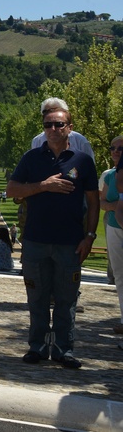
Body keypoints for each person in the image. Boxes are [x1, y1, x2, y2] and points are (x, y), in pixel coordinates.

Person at [7, 105, 98, 369]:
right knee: (36, 297)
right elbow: (13, 190)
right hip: (36, 240)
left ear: (70, 127)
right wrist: (43, 186)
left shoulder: (82, 161)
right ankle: (36, 347)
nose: (53, 130)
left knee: (67, 299)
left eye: (59, 125)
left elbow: (93, 203)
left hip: (70, 242)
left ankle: (63, 349)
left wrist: (89, 236)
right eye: (48, 125)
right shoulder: (32, 158)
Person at [101, 135, 123, 332]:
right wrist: (115, 206)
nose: (115, 151)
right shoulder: (109, 175)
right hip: (114, 226)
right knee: (119, 274)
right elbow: (101, 202)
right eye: (112, 148)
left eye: (120, 148)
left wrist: (113, 206)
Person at [30, 97, 95, 160]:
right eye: (46, 112)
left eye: (59, 124)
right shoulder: (37, 141)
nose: (52, 115)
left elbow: (89, 166)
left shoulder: (80, 141)